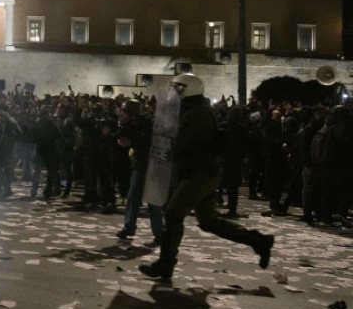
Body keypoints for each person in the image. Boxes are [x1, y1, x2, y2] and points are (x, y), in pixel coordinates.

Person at [139, 74, 274, 282]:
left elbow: (178, 143)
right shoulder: (198, 110)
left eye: (179, 87)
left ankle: (165, 263)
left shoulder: (195, 114)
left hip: (198, 174)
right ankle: (259, 241)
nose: (175, 91)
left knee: (174, 214)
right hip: (202, 172)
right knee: (209, 221)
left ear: (189, 89)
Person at [115, 99, 162, 244]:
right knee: (132, 198)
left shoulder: (146, 124)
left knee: (153, 203)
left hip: (150, 166)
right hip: (140, 166)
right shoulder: (135, 124)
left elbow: (142, 142)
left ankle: (159, 234)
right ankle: (129, 227)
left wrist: (130, 139)